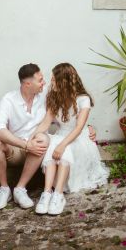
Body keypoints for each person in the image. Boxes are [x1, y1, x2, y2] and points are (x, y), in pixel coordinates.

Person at [0, 63, 96, 211]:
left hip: (36, 148)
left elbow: (72, 105)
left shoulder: (45, 93)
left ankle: (22, 189)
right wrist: (25, 144)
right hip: (16, 147)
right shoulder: (9, 99)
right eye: (40, 80)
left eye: (46, 80)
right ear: (27, 84)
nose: (45, 83)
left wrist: (88, 127)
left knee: (44, 140)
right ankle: (5, 189)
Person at [33, 63, 109, 216]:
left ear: (63, 81)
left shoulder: (83, 99)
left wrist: (62, 144)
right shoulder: (54, 97)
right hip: (62, 135)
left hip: (78, 138)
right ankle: (47, 193)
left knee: (63, 147)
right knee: (54, 143)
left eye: (54, 80)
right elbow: (45, 123)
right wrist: (30, 139)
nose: (51, 82)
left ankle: (58, 195)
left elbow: (79, 127)